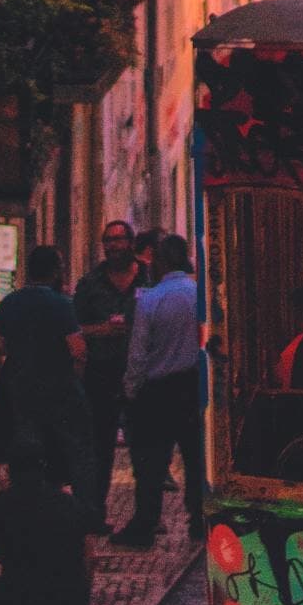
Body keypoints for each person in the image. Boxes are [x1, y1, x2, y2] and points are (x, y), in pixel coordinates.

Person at [0, 244, 96, 503]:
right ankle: (75, 508)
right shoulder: (61, 304)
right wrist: (76, 381)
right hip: (58, 389)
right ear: (56, 271)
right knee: (70, 451)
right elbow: (78, 349)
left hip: (19, 388)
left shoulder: (10, 302)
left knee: (25, 448)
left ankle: (25, 503)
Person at [123, 234, 206, 547]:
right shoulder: (199, 294)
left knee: (151, 463)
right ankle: (199, 520)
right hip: (192, 386)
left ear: (162, 261)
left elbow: (138, 352)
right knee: (195, 459)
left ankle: (145, 522)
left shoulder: (150, 299)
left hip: (157, 391)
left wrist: (131, 389)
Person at [0, 439, 95, 605]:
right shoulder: (69, 503)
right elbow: (90, 557)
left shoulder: (0, 505)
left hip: (21, 603)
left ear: (9, 471)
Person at [74, 221, 145, 530]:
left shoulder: (149, 279)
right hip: (100, 376)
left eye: (118, 240)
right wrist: (101, 330)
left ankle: (147, 516)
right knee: (99, 449)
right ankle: (94, 513)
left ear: (130, 242)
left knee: (144, 448)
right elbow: (74, 331)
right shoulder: (90, 285)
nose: (113, 246)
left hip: (140, 375)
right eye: (108, 241)